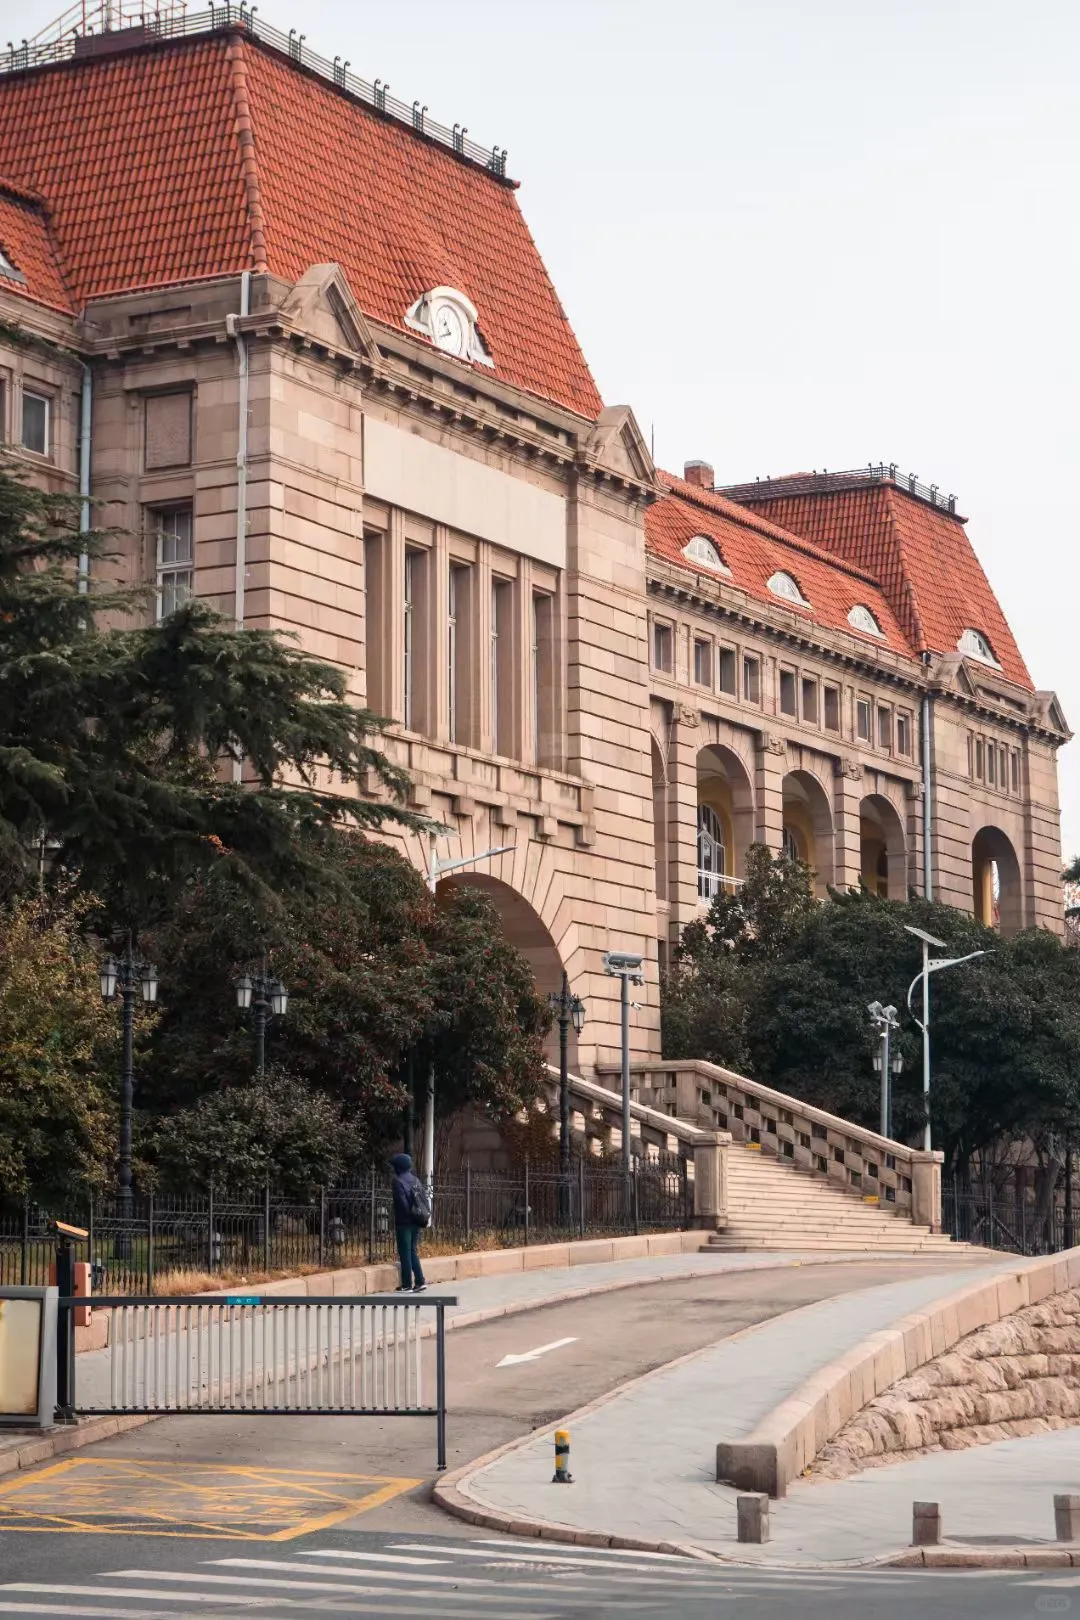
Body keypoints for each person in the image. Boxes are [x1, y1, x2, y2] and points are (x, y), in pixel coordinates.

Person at [390, 1152, 427, 1293]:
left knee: (404, 1252)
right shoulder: (415, 1179)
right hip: (417, 1220)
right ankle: (420, 1281)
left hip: (404, 1222)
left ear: (398, 1167)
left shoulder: (397, 1181)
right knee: (412, 1250)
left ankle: (407, 1284)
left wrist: (403, 1217)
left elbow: (401, 1203)